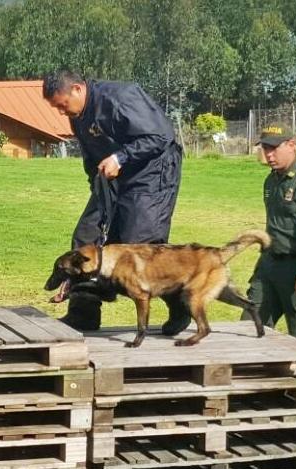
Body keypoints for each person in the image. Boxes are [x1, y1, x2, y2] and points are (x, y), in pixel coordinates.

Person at [42, 70, 187, 333]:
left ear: (77, 89)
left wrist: (121, 157)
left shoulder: (121, 97)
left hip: (152, 175)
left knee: (139, 246)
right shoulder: (78, 116)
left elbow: (160, 136)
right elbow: (90, 157)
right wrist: (97, 187)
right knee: (86, 236)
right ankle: (83, 312)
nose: (62, 112)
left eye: (62, 105)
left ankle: (181, 304)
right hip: (111, 179)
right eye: (57, 108)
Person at [243, 126, 296, 348]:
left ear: (292, 145)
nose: (268, 155)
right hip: (269, 266)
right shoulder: (271, 181)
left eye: (274, 148)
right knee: (250, 326)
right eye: (265, 149)